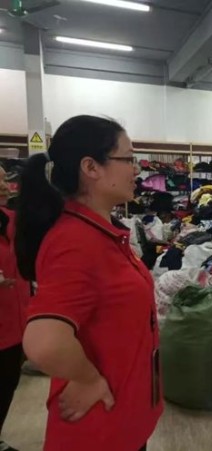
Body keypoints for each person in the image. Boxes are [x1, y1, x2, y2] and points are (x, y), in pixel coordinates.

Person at [15, 115, 162, 451]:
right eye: (128, 158)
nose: (136, 169)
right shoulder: (75, 242)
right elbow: (44, 343)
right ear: (91, 167)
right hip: (99, 430)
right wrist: (88, 378)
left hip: (122, 417)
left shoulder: (99, 231)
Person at [0, 164, 30, 451]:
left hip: (15, 322)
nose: (3, 185)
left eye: (3, 179)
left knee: (7, 383)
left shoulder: (13, 220)